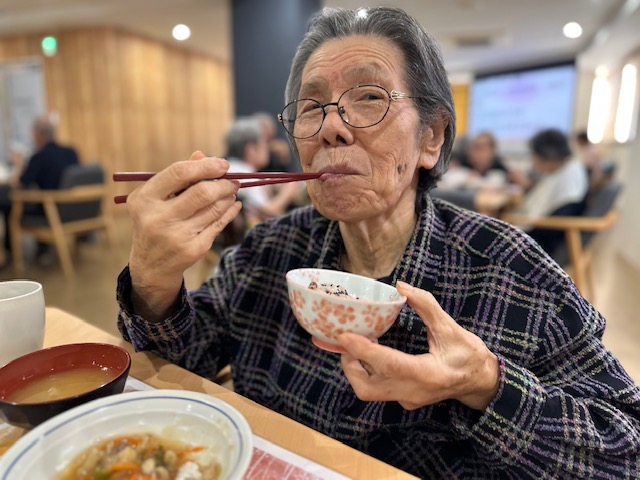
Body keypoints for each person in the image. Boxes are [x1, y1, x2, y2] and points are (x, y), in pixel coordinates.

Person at [116, 7, 640, 478]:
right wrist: (153, 280)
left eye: (368, 98)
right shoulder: (268, 250)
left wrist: (485, 385)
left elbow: (626, 449)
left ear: (431, 137)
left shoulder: (512, 272)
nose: (331, 128)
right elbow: (183, 361)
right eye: (311, 106)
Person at [0, 116, 79, 265]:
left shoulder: (39, 156)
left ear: (37, 135)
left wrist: (19, 164)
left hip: (51, 212)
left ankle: (10, 254)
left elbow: (19, 183)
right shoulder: (71, 152)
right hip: (72, 210)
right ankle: (42, 250)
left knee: (8, 203)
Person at [510, 128, 589, 255]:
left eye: (535, 156)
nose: (533, 162)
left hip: (539, 243)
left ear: (549, 157)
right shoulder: (563, 169)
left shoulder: (569, 177)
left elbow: (562, 211)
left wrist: (516, 220)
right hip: (538, 232)